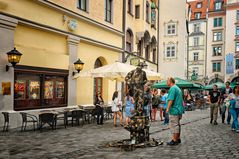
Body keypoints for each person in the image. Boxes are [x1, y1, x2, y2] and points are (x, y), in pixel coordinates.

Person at [166, 77, 184, 145]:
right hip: (178, 109)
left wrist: (167, 108)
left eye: (167, 81)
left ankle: (175, 139)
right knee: (177, 124)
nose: (166, 82)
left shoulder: (172, 88)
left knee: (174, 125)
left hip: (174, 109)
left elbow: (171, 99)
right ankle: (178, 138)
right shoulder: (177, 88)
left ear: (170, 81)